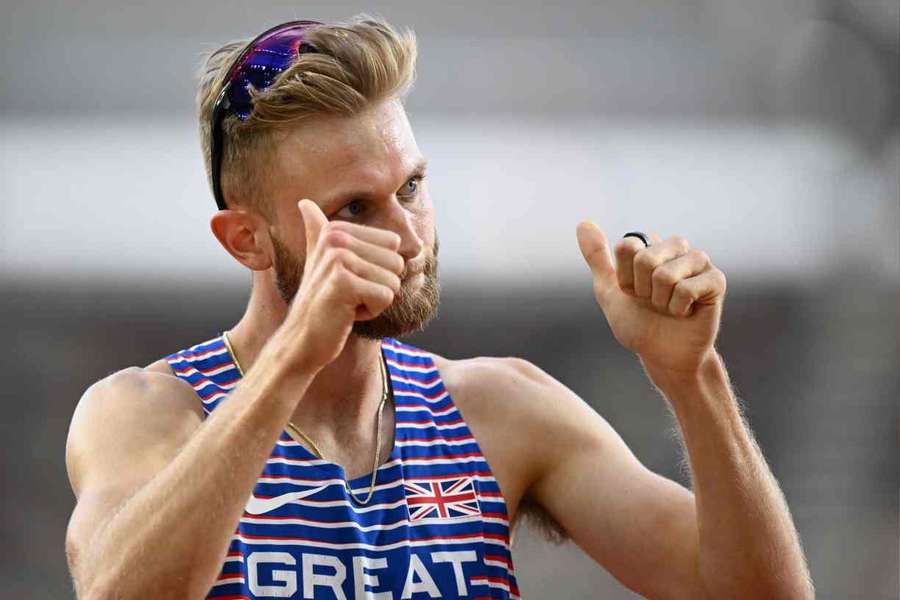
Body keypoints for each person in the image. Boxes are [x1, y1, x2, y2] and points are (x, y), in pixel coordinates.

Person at [63, 16, 813, 600]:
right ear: (247, 242)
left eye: (412, 188)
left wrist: (693, 377)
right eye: (355, 207)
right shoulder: (147, 413)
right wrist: (296, 354)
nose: (408, 234)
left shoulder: (500, 410)